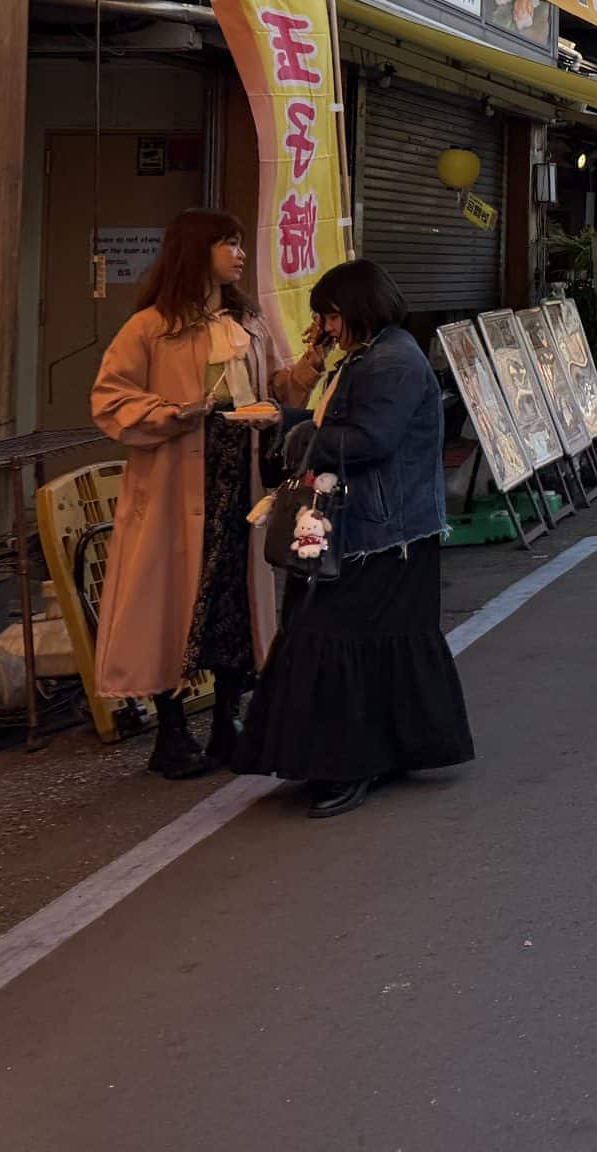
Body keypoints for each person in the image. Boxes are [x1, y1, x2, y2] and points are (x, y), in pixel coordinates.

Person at [235, 259, 473, 818]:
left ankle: (349, 762)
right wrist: (288, 415)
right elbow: (343, 424)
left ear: (354, 310)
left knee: (332, 635)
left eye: (330, 316)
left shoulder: (389, 361)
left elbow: (369, 438)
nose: (324, 327)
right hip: (385, 529)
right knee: (362, 639)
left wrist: (297, 434)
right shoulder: (376, 354)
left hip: (380, 533)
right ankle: (379, 751)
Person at [90, 210, 283, 779]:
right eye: (228, 243)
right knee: (170, 609)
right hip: (177, 489)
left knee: (230, 608)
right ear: (197, 251)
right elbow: (109, 399)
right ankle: (170, 734)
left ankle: (228, 722)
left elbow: (277, 385)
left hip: (239, 488)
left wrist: (316, 361)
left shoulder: (249, 322)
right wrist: (174, 413)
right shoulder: (150, 327)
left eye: (241, 243)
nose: (239, 253)